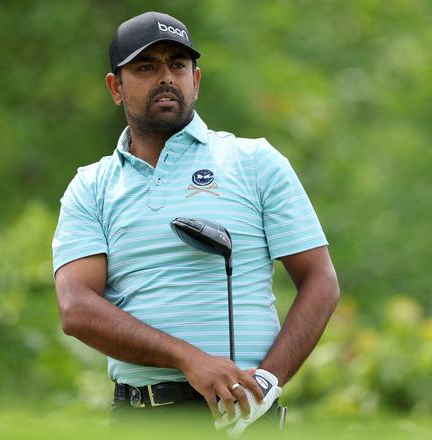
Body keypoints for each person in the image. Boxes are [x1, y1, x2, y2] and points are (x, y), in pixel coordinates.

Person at [52, 11, 340, 436]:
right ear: (116, 88)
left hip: (243, 414)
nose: (166, 77)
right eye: (146, 67)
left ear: (196, 81)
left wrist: (266, 382)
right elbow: (76, 308)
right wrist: (188, 358)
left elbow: (320, 282)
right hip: (140, 417)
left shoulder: (254, 162)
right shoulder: (91, 186)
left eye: (177, 65)